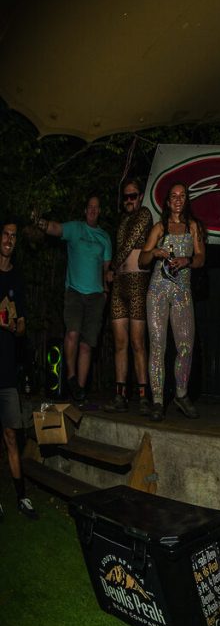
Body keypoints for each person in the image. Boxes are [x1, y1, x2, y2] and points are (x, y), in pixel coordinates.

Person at [34, 196, 111, 404]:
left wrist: (105, 293)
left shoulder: (105, 237)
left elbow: (106, 269)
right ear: (85, 210)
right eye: (90, 207)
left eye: (96, 207)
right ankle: (70, 376)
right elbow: (55, 228)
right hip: (75, 292)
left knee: (87, 344)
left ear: (99, 211)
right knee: (72, 333)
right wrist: (39, 221)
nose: (93, 210)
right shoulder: (75, 228)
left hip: (96, 297)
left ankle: (80, 391)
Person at [139, 183, 205, 421]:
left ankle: (181, 394)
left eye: (182, 195)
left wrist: (187, 260)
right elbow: (142, 260)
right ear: (167, 202)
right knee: (157, 345)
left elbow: (201, 258)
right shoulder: (160, 228)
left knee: (185, 345)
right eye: (173, 196)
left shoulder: (193, 227)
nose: (178, 199)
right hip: (157, 291)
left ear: (186, 200)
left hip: (182, 292)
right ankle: (157, 401)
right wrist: (155, 252)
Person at [103, 178, 154, 415]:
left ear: (140, 196)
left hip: (137, 282)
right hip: (119, 286)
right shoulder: (122, 220)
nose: (129, 200)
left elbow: (129, 245)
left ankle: (143, 397)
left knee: (137, 342)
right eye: (126, 197)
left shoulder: (144, 214)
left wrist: (112, 266)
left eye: (133, 196)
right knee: (120, 343)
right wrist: (113, 273)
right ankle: (119, 396)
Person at [0, 222, 36, 519]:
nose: (9, 239)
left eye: (13, 236)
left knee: (12, 434)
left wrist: (14, 326)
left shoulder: (18, 278)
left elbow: (22, 325)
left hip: (7, 369)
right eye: (5, 234)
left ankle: (22, 498)